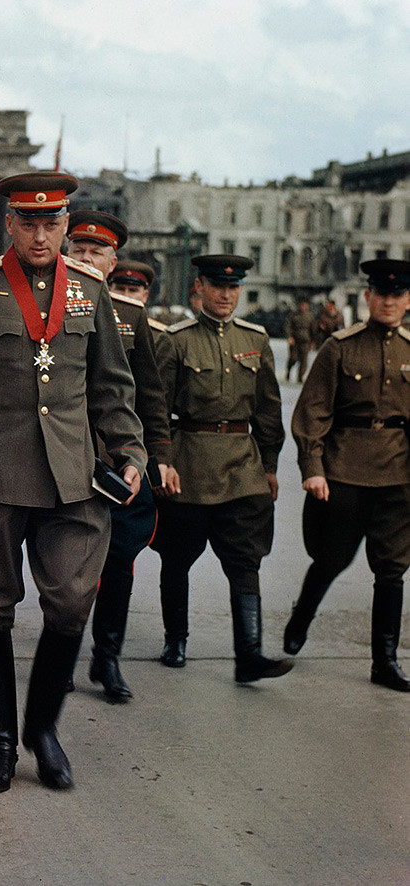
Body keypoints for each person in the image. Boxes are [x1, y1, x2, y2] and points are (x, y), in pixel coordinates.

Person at [0, 173, 144, 794]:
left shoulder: (90, 291)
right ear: (10, 225)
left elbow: (111, 386)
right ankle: (0, 744)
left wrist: (128, 448)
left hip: (73, 480)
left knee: (73, 599)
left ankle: (42, 729)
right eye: (28, 222)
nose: (41, 233)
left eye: (52, 223)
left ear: (67, 224)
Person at [151, 254, 291, 683]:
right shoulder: (176, 341)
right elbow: (155, 408)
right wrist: (163, 461)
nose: (226, 295)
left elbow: (268, 408)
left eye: (233, 287)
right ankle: (176, 639)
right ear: (201, 288)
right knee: (177, 557)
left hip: (242, 465)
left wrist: (269, 465)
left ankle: (248, 653)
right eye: (218, 286)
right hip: (189, 464)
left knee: (245, 560)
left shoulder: (256, 339)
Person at [285, 259, 410, 692]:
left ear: (407, 301)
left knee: (392, 568)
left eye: (398, 296)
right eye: (382, 294)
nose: (389, 302)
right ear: (368, 297)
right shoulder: (340, 347)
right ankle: (301, 618)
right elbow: (313, 412)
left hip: (398, 477)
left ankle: (386, 662)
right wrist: (313, 468)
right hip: (344, 472)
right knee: (332, 558)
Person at [66, 213, 175, 703]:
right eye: (79, 251)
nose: (86, 259)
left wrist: (159, 457)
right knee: (67, 569)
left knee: (119, 564)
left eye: (96, 254)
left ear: (112, 263)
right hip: (65, 461)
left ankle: (107, 657)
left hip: (118, 465)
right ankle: (62, 655)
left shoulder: (131, 318)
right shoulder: (46, 308)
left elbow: (150, 397)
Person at [284, 300, 313, 382]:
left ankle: (300, 377)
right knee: (293, 358)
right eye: (302, 305)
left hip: (305, 340)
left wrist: (313, 341)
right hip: (295, 340)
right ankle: (288, 371)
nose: (303, 307)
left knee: (304, 361)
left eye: (305, 305)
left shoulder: (310, 316)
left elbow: (313, 329)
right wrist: (289, 337)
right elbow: (288, 326)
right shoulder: (293, 315)